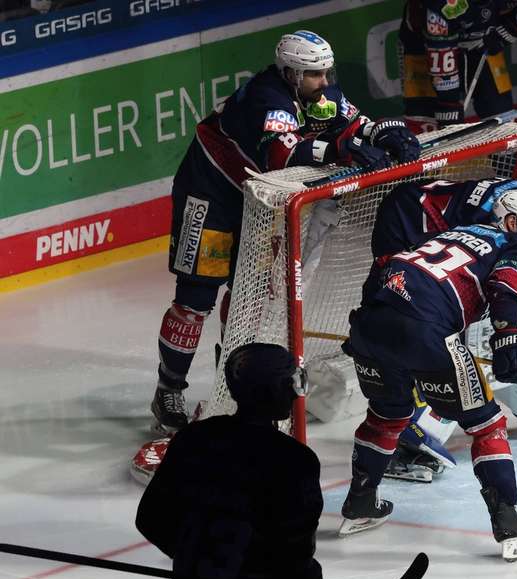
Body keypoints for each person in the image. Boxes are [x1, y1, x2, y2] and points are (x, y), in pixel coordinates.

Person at [151, 30, 421, 435]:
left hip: (257, 202)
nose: (325, 82)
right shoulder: (269, 97)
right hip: (209, 195)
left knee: (248, 300)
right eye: (314, 75)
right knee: (195, 299)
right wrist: (338, 150)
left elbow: (353, 121)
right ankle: (169, 388)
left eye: (326, 72)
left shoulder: (318, 90)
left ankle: (231, 389)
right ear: (291, 73)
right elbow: (280, 154)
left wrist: (385, 131)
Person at [339, 188, 517, 562]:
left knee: (387, 415)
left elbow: (385, 268)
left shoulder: (448, 233)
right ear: (512, 221)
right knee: (487, 425)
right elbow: (506, 289)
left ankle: (360, 502)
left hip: (370, 323)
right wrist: (510, 339)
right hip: (425, 331)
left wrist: (366, 331)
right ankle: (509, 521)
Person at [357, 177, 517, 482]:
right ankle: (411, 423)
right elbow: (475, 285)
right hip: (408, 224)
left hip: (442, 249)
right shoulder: (496, 214)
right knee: (434, 326)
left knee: (476, 326)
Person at [136, 342, 323, 579]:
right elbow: (295, 560)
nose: (293, 393)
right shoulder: (295, 462)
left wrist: (197, 560)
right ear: (275, 390)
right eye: (288, 382)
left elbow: (150, 519)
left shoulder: (193, 439)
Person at [398, 0, 517, 132]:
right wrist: (449, 103)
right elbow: (440, 51)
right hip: (423, 46)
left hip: (484, 38)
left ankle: (513, 162)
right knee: (428, 127)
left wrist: (509, 29)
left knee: (502, 119)